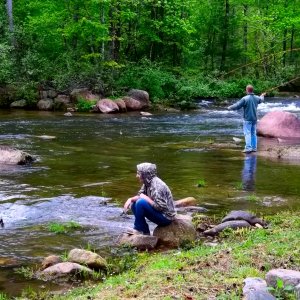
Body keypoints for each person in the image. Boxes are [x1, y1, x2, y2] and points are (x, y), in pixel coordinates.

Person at [123, 162, 176, 235]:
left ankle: (138, 229)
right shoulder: (147, 183)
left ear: (145, 174)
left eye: (138, 173)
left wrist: (146, 198)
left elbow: (160, 207)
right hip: (160, 213)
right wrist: (130, 199)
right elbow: (140, 195)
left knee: (140, 203)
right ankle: (145, 231)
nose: (136, 176)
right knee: (134, 203)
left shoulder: (157, 186)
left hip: (166, 217)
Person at [228, 85, 266, 153]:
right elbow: (261, 100)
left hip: (247, 119)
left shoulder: (245, 98)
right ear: (252, 90)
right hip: (254, 119)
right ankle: (254, 148)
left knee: (247, 133)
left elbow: (237, 106)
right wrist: (262, 95)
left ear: (247, 90)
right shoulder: (257, 98)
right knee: (253, 133)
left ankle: (248, 148)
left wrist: (230, 107)